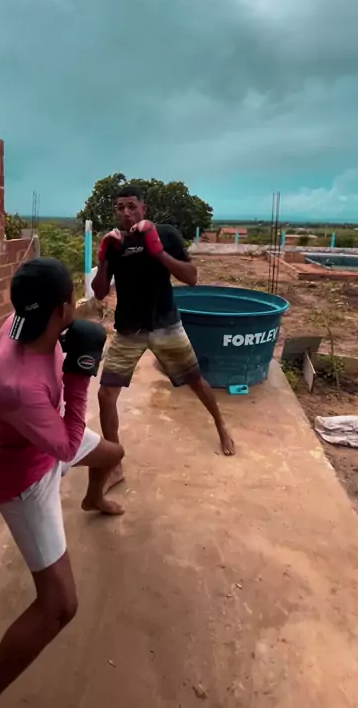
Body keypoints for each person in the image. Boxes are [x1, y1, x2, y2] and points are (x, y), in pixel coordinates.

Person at [0, 257, 124, 708]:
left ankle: (93, 498)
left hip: (46, 433)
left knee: (114, 453)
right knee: (60, 606)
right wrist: (79, 376)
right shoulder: (13, 385)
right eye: (73, 298)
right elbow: (67, 448)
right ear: (63, 308)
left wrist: (68, 351)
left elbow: (62, 439)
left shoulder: (20, 322)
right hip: (23, 479)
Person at [92, 186, 234, 489]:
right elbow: (100, 292)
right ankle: (114, 464)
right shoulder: (115, 243)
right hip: (129, 329)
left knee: (196, 381)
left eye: (131, 206)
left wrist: (157, 250)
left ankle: (221, 424)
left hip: (165, 324)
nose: (126, 213)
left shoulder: (165, 233)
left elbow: (191, 277)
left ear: (144, 208)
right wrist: (103, 257)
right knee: (105, 395)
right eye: (120, 207)